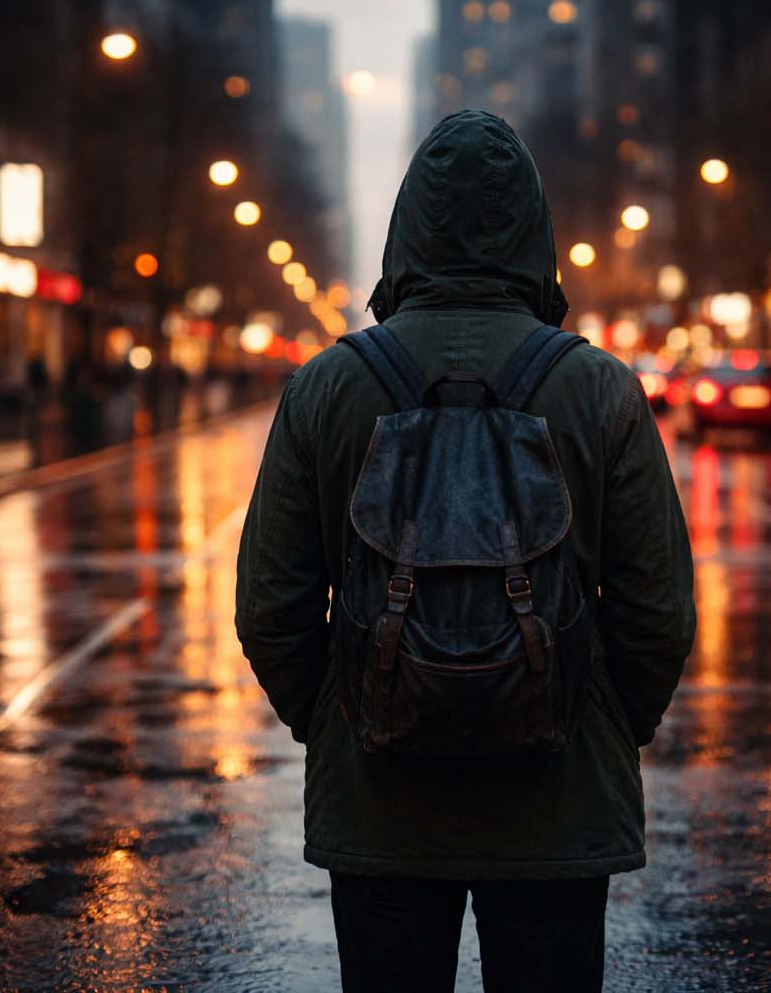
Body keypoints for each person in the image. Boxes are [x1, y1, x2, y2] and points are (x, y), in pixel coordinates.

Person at [235, 110, 695, 993]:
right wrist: (587, 722)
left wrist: (351, 721)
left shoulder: (328, 386)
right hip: (557, 806)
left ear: (406, 230)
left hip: (382, 804)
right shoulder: (598, 386)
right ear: (535, 235)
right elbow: (657, 613)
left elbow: (270, 608)